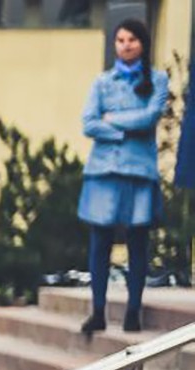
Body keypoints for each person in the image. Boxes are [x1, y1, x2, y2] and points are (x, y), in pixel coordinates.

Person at [78, 18, 168, 337]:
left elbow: (149, 117)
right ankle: (98, 310)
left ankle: (133, 310)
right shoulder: (102, 82)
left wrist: (112, 119)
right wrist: (121, 133)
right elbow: (88, 123)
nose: (125, 45)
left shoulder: (157, 79)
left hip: (138, 171)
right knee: (99, 241)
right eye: (120, 40)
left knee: (137, 242)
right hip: (102, 171)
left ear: (143, 43)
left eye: (131, 39)